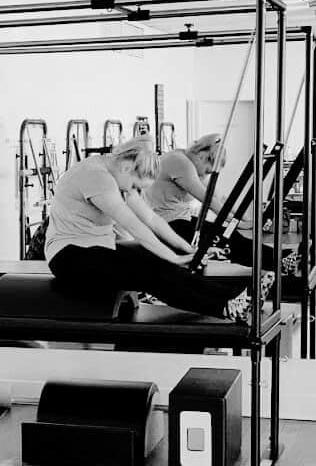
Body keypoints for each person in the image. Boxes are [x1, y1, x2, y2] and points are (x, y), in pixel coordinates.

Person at [44, 136, 272, 324]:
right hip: (69, 256)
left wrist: (187, 249)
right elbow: (134, 225)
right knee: (151, 272)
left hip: (98, 249)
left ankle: (235, 298)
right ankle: (224, 307)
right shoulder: (97, 176)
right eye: (135, 186)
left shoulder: (118, 173)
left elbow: (151, 219)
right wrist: (174, 257)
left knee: (161, 264)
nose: (134, 191)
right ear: (127, 167)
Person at [146, 134, 298, 274]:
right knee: (228, 242)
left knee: (232, 236)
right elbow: (208, 201)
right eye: (208, 171)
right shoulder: (180, 163)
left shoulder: (187, 160)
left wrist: (246, 219)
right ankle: (280, 262)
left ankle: (283, 257)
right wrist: (238, 223)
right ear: (202, 156)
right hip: (169, 226)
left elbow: (221, 198)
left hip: (180, 220)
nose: (206, 175)